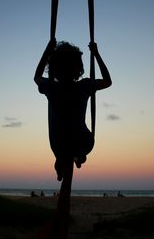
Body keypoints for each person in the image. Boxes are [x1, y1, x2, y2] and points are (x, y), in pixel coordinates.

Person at [34, 40, 112, 181]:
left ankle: (62, 165)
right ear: (79, 68)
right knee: (75, 147)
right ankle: (79, 156)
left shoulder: (51, 87)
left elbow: (36, 77)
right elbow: (108, 81)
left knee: (60, 153)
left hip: (60, 144)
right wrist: (96, 54)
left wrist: (47, 50)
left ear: (54, 68)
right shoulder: (84, 86)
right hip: (84, 142)